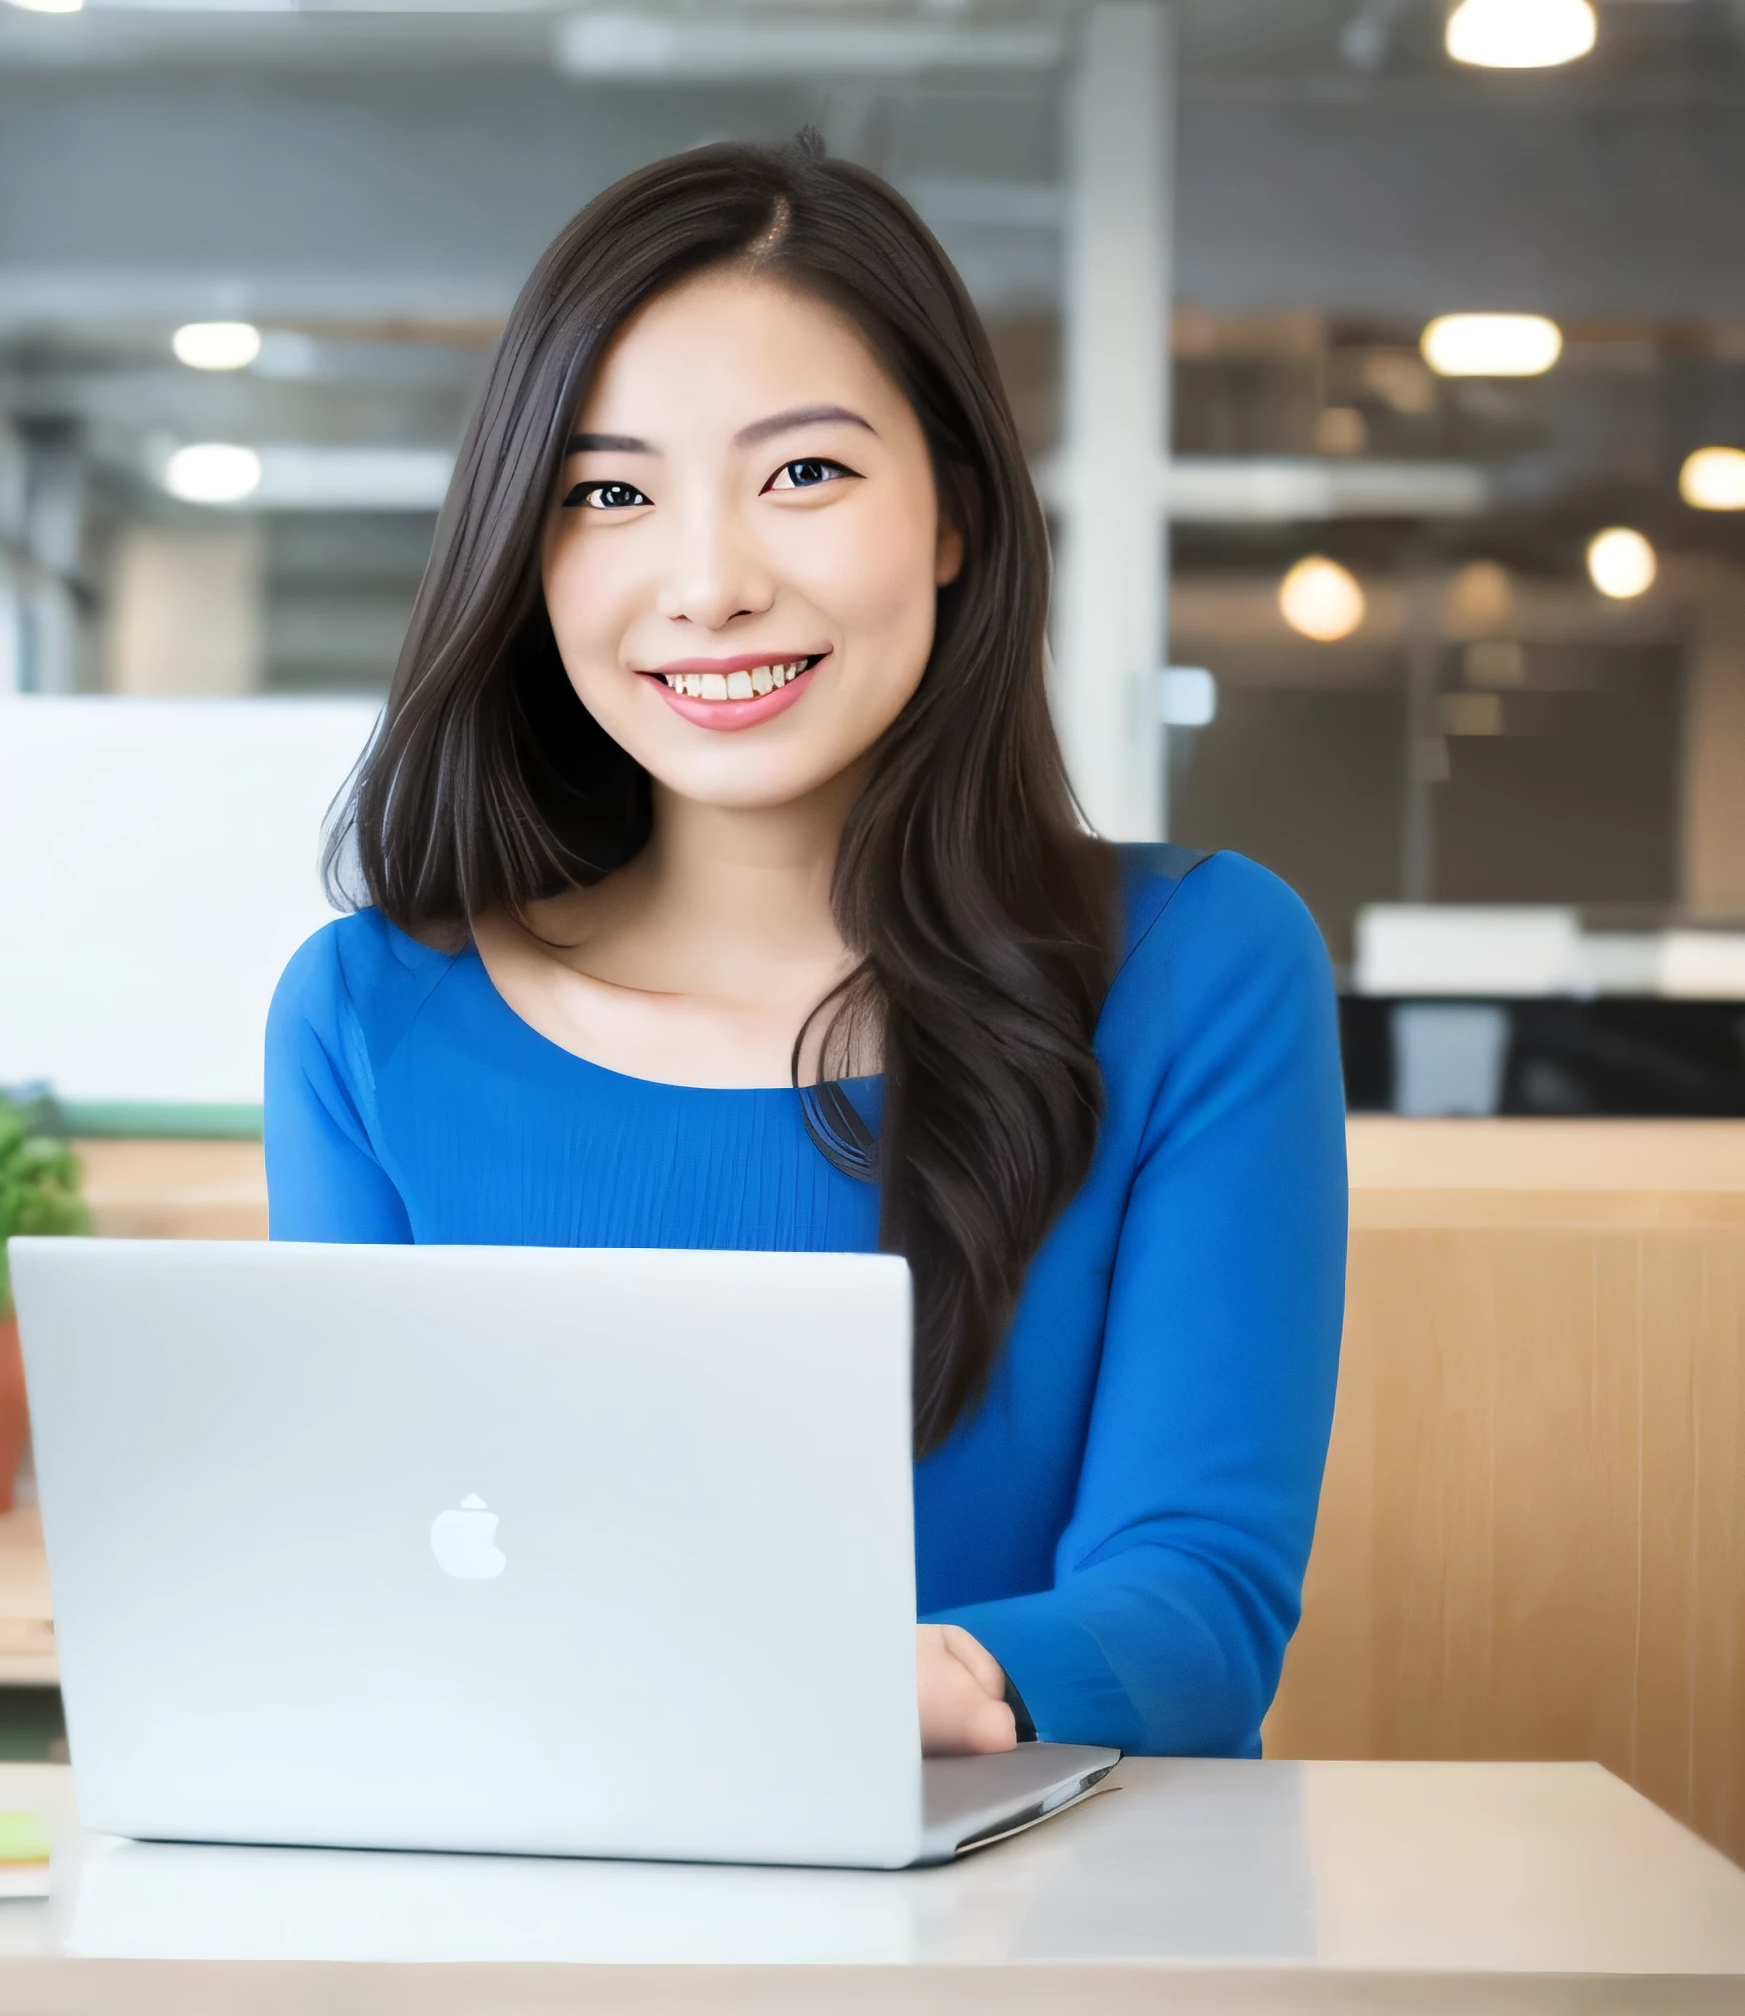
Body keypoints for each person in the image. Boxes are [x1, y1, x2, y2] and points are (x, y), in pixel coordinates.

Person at [264, 138, 1346, 1761]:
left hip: (1042, 1928)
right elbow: (361, 1580)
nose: (709, 586)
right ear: (528, 552)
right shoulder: (371, 1014)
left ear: (956, 519)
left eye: (805, 475)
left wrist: (896, 1686)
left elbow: (1199, 1611)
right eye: (609, 495)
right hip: (533, 1907)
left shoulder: (1200, 968)